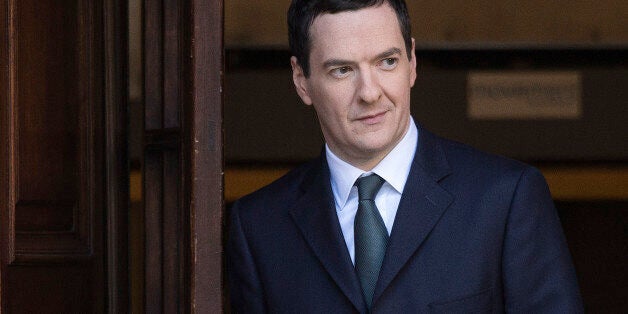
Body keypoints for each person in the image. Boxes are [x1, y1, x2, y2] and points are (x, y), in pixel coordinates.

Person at [227, 0, 583, 312]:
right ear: (301, 80)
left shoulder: (505, 199)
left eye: (386, 61)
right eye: (342, 70)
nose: (369, 93)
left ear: (412, 62)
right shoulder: (258, 226)